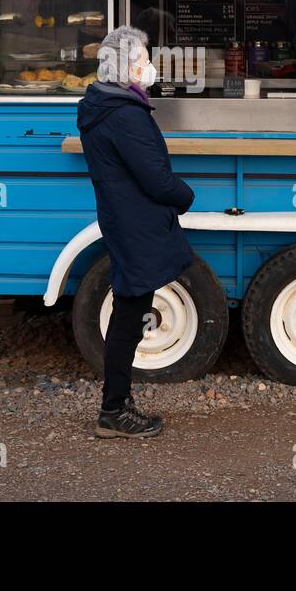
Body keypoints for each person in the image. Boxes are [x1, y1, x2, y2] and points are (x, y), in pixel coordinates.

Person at [76, 25, 195, 438]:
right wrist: (186, 196)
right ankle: (113, 410)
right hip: (136, 225)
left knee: (129, 311)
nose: (150, 66)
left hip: (124, 222)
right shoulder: (125, 115)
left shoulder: (105, 106)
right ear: (125, 67)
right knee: (128, 315)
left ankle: (117, 403)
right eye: (143, 59)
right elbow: (157, 181)